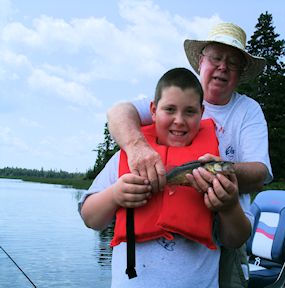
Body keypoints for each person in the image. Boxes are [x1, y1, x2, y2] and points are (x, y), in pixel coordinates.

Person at [106, 22, 273, 287]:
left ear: (240, 74)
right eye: (216, 58)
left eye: (232, 63)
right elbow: (118, 113)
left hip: (227, 230)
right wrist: (138, 147)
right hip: (166, 240)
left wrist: (221, 173)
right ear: (201, 62)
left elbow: (260, 173)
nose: (222, 67)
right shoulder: (179, 98)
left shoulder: (248, 111)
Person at [79, 67, 251, 288]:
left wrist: (228, 206)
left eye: (190, 112)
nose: (179, 120)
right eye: (169, 109)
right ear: (153, 110)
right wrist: (114, 195)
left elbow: (236, 238)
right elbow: (90, 218)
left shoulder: (215, 168)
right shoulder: (127, 158)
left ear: (202, 112)